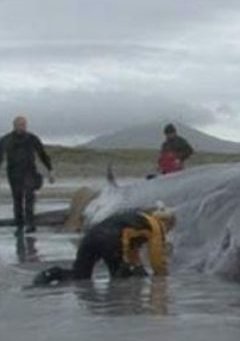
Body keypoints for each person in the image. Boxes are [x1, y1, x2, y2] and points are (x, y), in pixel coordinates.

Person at [32, 204, 176, 286]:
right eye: (170, 228)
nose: (167, 232)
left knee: (80, 277)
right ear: (167, 222)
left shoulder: (135, 220)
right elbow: (156, 257)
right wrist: (161, 279)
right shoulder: (156, 226)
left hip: (91, 237)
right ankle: (112, 313)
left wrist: (139, 268)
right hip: (111, 241)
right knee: (119, 281)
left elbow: (132, 252)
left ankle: (50, 274)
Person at [0, 116, 55, 234]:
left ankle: (30, 224)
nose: (22, 127)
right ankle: (19, 225)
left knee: (29, 198)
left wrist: (50, 170)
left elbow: (42, 154)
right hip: (14, 174)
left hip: (29, 172)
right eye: (20, 125)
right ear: (14, 126)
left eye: (24, 125)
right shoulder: (6, 140)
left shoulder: (32, 138)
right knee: (17, 199)